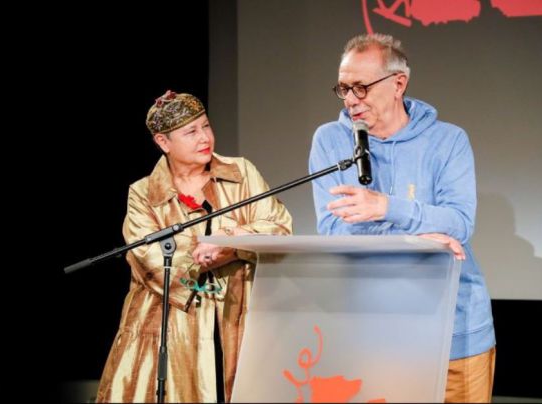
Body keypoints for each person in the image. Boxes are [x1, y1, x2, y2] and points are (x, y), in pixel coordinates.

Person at [308, 33, 495, 403]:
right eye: (343, 88)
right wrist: (419, 237)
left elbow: (459, 223)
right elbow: (333, 232)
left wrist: (385, 208)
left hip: (457, 330)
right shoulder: (330, 141)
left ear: (398, 84)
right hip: (375, 331)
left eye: (360, 88)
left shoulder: (448, 140)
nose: (350, 100)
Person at [96, 90, 293, 402]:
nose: (205, 138)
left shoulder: (241, 173)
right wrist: (207, 255)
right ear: (163, 143)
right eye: (191, 132)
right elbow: (151, 260)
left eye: (206, 126)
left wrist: (232, 243)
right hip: (169, 328)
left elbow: (279, 228)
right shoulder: (144, 194)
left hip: (236, 318)